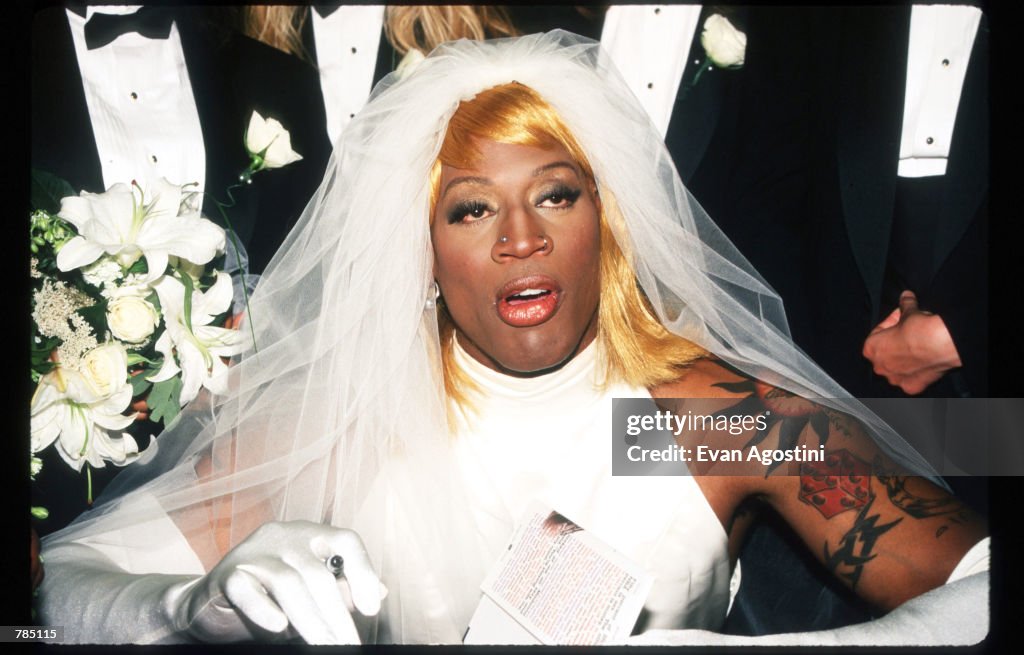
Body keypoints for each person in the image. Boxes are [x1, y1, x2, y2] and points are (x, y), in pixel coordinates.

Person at [36, 32, 989, 645]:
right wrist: (179, 608)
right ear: (423, 248)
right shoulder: (349, 419)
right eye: (470, 209)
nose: (520, 239)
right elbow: (64, 580)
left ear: (606, 221)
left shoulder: (678, 424)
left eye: (556, 196)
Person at [30, 4, 332, 536]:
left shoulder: (280, 81)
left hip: (239, 484)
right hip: (55, 488)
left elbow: (322, 280)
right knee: (38, 627)